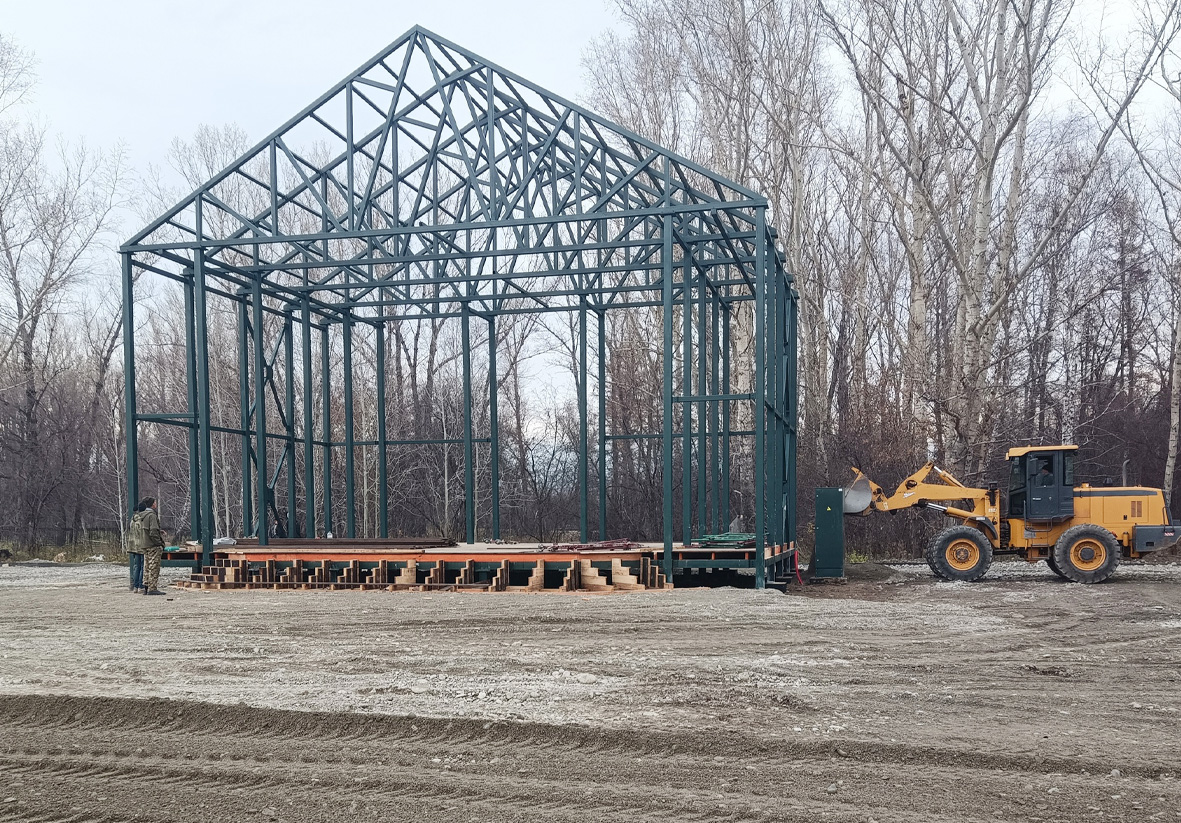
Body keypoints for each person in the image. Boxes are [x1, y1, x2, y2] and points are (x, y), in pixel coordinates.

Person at [129, 497, 167, 595]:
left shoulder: (141, 516)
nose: (156, 504)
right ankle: (152, 588)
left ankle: (145, 586)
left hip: (144, 545)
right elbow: (153, 531)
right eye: (155, 502)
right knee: (154, 566)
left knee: (146, 566)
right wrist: (159, 543)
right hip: (153, 544)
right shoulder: (151, 515)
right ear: (152, 504)